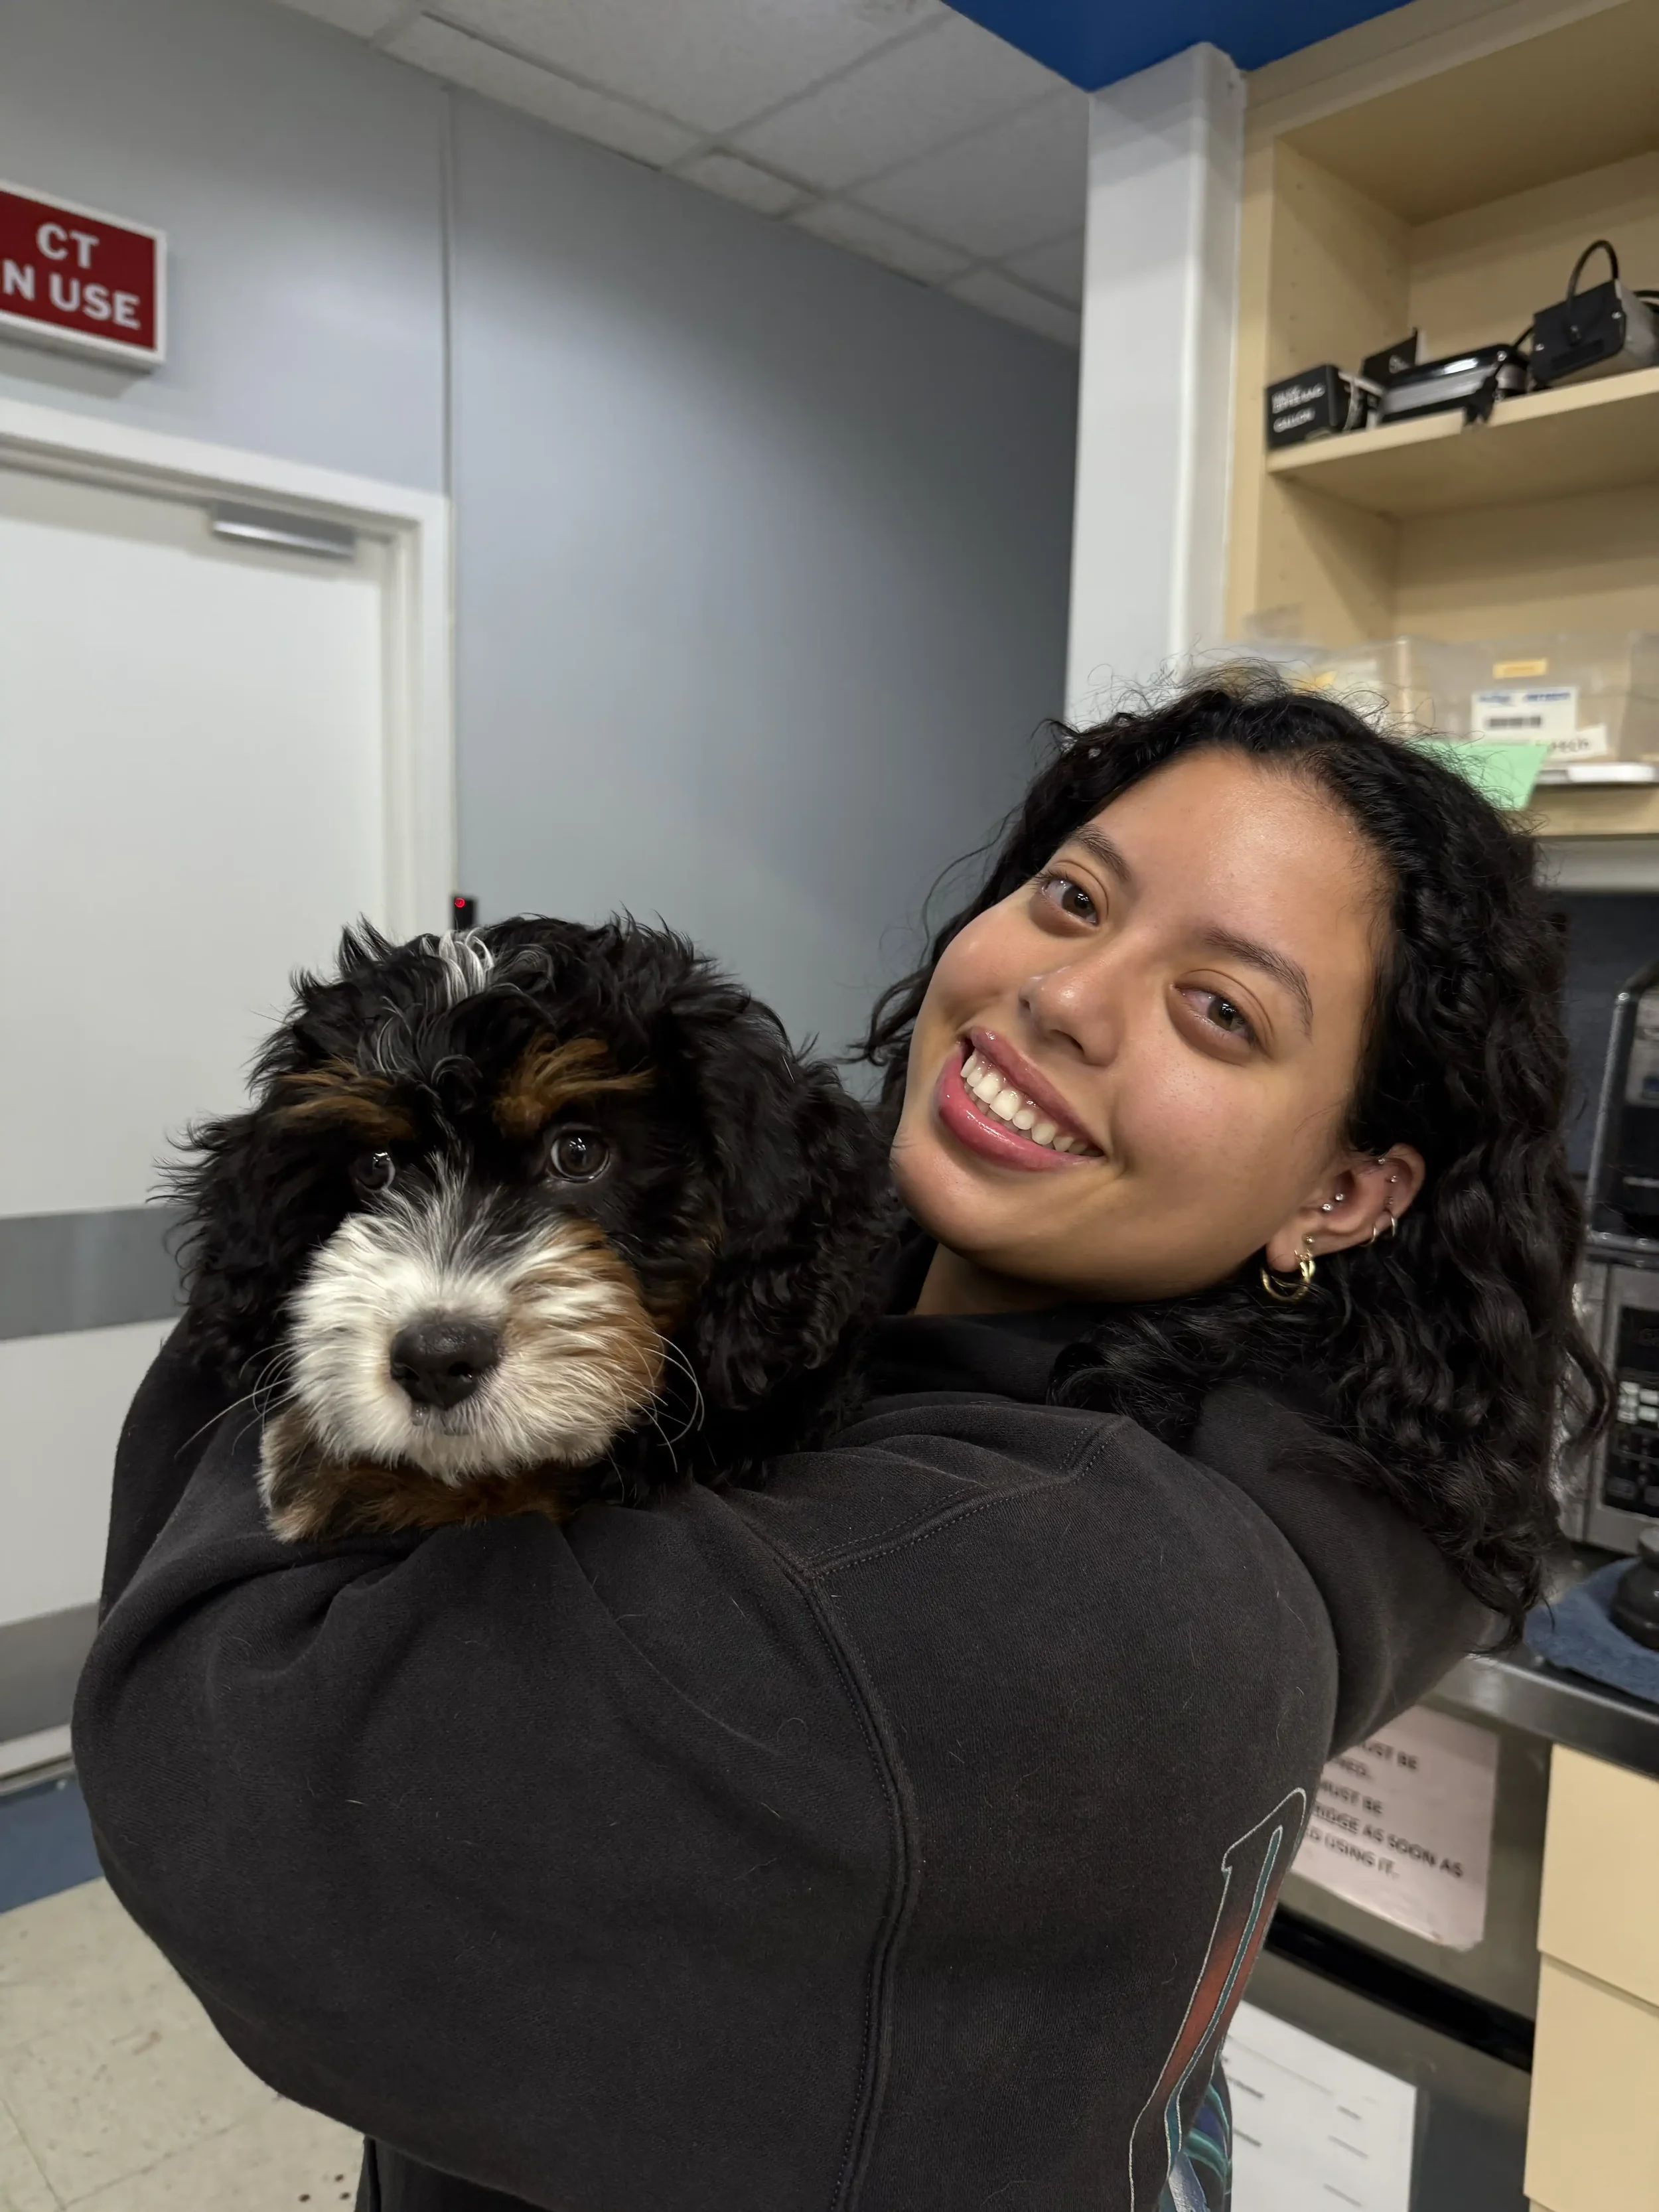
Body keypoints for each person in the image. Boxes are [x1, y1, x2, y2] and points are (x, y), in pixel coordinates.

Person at [74, 678, 1599, 2212]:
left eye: (1221, 1009)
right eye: (1072, 898)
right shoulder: (1107, 1361)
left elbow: (238, 1778)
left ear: (1341, 1191)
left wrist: (285, 1309)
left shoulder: (1048, 1590)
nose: (1067, 996)